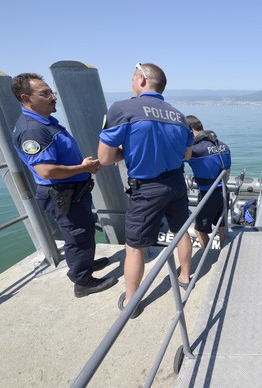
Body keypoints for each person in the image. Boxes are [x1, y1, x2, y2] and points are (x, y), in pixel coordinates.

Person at [98, 63, 193, 318]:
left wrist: (128, 152)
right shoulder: (179, 116)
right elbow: (187, 154)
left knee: (134, 246)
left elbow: (105, 158)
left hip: (147, 188)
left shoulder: (123, 109)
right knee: (180, 230)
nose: (131, 84)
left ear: (142, 80)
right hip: (176, 183)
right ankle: (185, 276)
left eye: (132, 79)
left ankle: (131, 300)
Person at [11, 73, 117, 298]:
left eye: (52, 92)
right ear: (26, 97)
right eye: (45, 93)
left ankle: (84, 265)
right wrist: (84, 168)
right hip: (61, 193)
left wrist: (81, 166)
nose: (53, 97)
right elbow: (45, 170)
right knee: (77, 234)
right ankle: (83, 282)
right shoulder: (32, 129)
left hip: (73, 191)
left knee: (85, 229)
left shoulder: (46, 121)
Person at [185, 115, 231, 248]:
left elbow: (174, 159)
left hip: (207, 194)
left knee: (199, 230)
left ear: (190, 130)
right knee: (221, 225)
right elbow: (227, 172)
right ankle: (222, 250)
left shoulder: (195, 150)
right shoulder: (223, 146)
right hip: (223, 192)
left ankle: (207, 254)